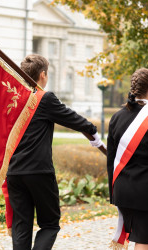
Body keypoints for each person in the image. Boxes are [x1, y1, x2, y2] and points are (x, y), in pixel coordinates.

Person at [6, 54, 104, 250]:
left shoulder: (13, 98)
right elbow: (71, 118)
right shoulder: (44, 98)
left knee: (21, 226)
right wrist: (93, 132)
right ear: (42, 75)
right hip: (38, 171)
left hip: (14, 171)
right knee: (50, 224)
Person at [107, 68, 148, 250]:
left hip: (123, 192)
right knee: (146, 242)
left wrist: (113, 193)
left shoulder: (116, 117)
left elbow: (111, 161)